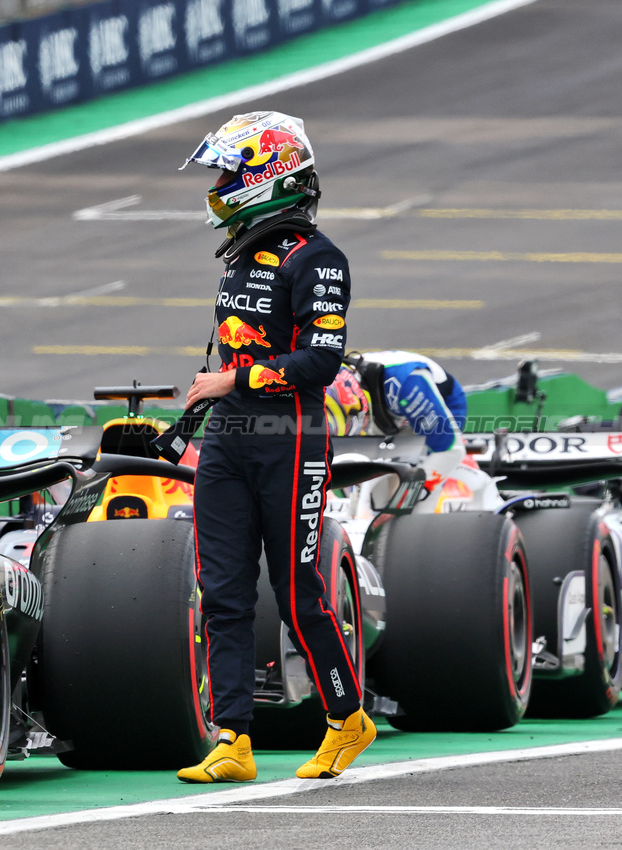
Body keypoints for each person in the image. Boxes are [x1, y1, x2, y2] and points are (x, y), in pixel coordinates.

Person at [175, 111, 375, 784]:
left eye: (231, 172)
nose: (221, 184)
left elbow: (320, 362)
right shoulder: (239, 254)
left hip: (291, 439)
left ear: (269, 176)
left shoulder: (318, 260)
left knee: (297, 593)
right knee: (221, 592)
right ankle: (232, 737)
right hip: (227, 441)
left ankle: (347, 719)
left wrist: (233, 378)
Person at [326, 351, 468, 509]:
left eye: (351, 424)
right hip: (386, 416)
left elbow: (451, 451)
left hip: (435, 402)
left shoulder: (406, 383)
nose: (351, 432)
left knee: (415, 501)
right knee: (370, 495)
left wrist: (407, 498)